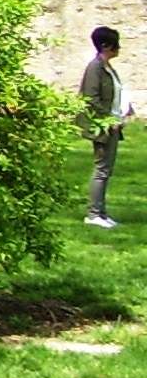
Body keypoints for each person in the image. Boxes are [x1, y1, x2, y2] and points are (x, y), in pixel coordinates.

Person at [81, 24, 132, 229]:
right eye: (114, 45)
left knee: (106, 170)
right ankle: (93, 214)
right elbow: (91, 99)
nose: (118, 49)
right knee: (101, 169)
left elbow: (115, 93)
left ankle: (101, 212)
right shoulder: (95, 68)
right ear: (105, 45)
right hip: (102, 127)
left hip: (113, 125)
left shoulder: (107, 68)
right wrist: (107, 120)